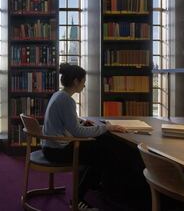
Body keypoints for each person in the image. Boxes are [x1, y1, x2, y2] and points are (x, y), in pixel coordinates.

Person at [42, 63, 126, 211]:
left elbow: (68, 122)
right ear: (76, 81)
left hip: (50, 147)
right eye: (83, 82)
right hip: (57, 150)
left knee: (99, 147)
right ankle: (78, 198)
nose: (84, 85)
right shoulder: (67, 100)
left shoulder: (58, 95)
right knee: (103, 152)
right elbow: (77, 132)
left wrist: (81, 122)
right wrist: (106, 127)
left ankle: (94, 184)